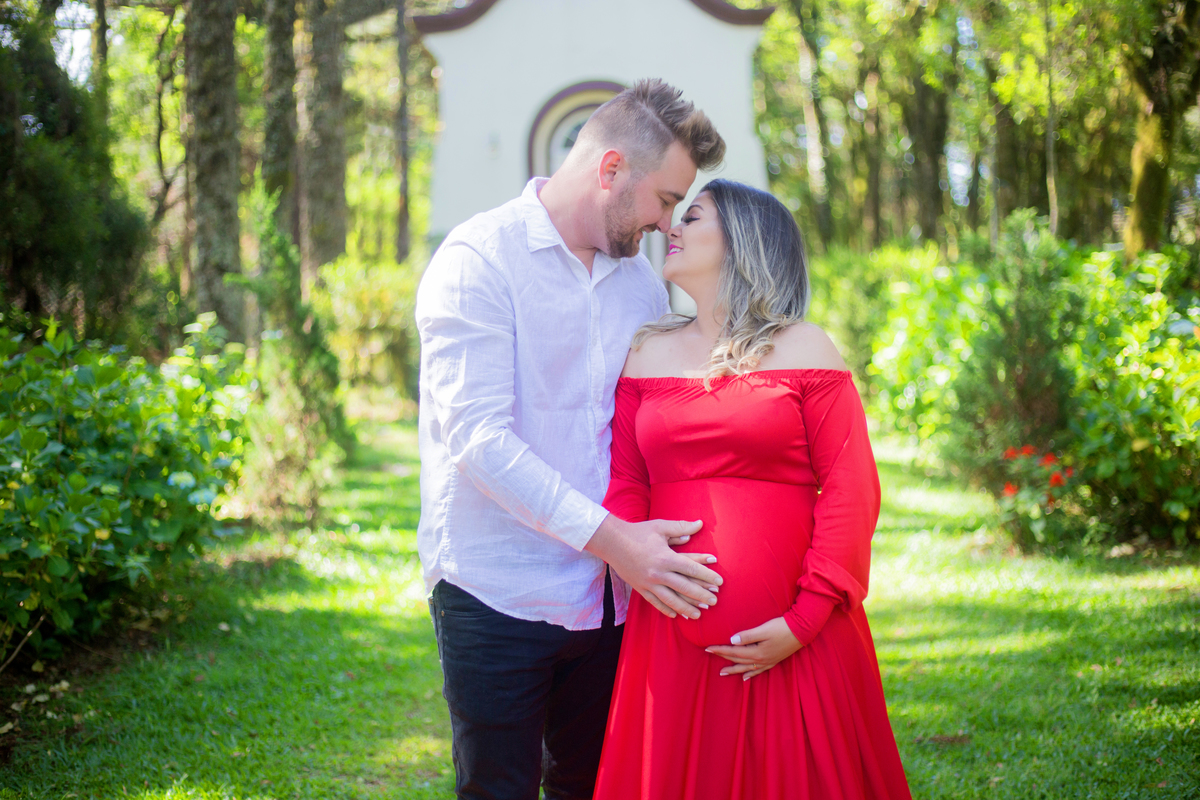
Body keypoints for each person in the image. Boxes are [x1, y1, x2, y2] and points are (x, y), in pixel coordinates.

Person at [414, 79, 727, 800]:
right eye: (666, 199)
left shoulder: (641, 288)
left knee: (594, 786)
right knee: (500, 790)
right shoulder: (479, 260)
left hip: (611, 602)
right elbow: (480, 440)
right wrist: (617, 539)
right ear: (612, 169)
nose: (665, 223)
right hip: (497, 591)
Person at [593, 180, 912, 800]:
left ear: (744, 240)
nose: (670, 229)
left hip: (799, 639)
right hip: (670, 632)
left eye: (692, 215)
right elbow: (627, 480)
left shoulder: (805, 346)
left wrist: (807, 616)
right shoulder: (646, 354)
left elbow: (851, 487)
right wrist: (641, 562)